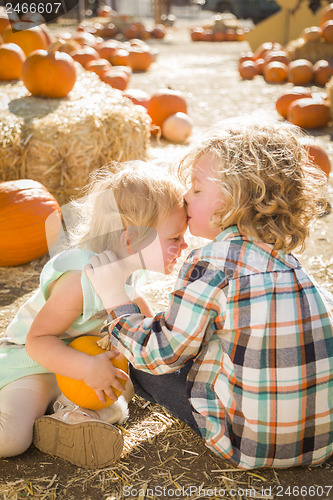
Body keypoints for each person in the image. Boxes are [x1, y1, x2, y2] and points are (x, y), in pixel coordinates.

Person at [85, 120, 333, 470]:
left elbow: (162, 355)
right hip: (321, 439)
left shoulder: (212, 264)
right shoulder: (291, 265)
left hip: (248, 443)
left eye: (197, 190)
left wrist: (116, 302)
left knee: (141, 362)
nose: (186, 196)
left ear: (237, 200)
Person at [0, 161, 188, 469]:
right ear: (131, 239)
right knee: (12, 437)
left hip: (78, 370)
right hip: (35, 368)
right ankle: (63, 414)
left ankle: (71, 418)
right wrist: (86, 368)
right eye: (175, 238)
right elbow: (38, 341)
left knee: (123, 385)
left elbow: (143, 319)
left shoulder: (127, 272)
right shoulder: (79, 281)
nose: (184, 245)